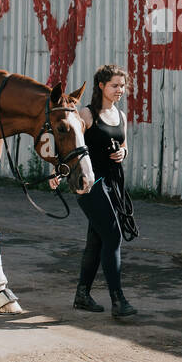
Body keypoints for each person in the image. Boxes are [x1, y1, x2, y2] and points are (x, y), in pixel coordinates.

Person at [59, 63, 137, 317]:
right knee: (112, 237)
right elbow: (69, 142)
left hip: (114, 184)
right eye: (115, 85)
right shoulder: (87, 114)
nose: (120, 90)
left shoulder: (120, 116)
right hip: (90, 183)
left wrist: (122, 152)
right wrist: (59, 172)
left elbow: (124, 144)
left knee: (97, 239)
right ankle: (118, 301)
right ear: (101, 86)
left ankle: (82, 295)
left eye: (123, 86)